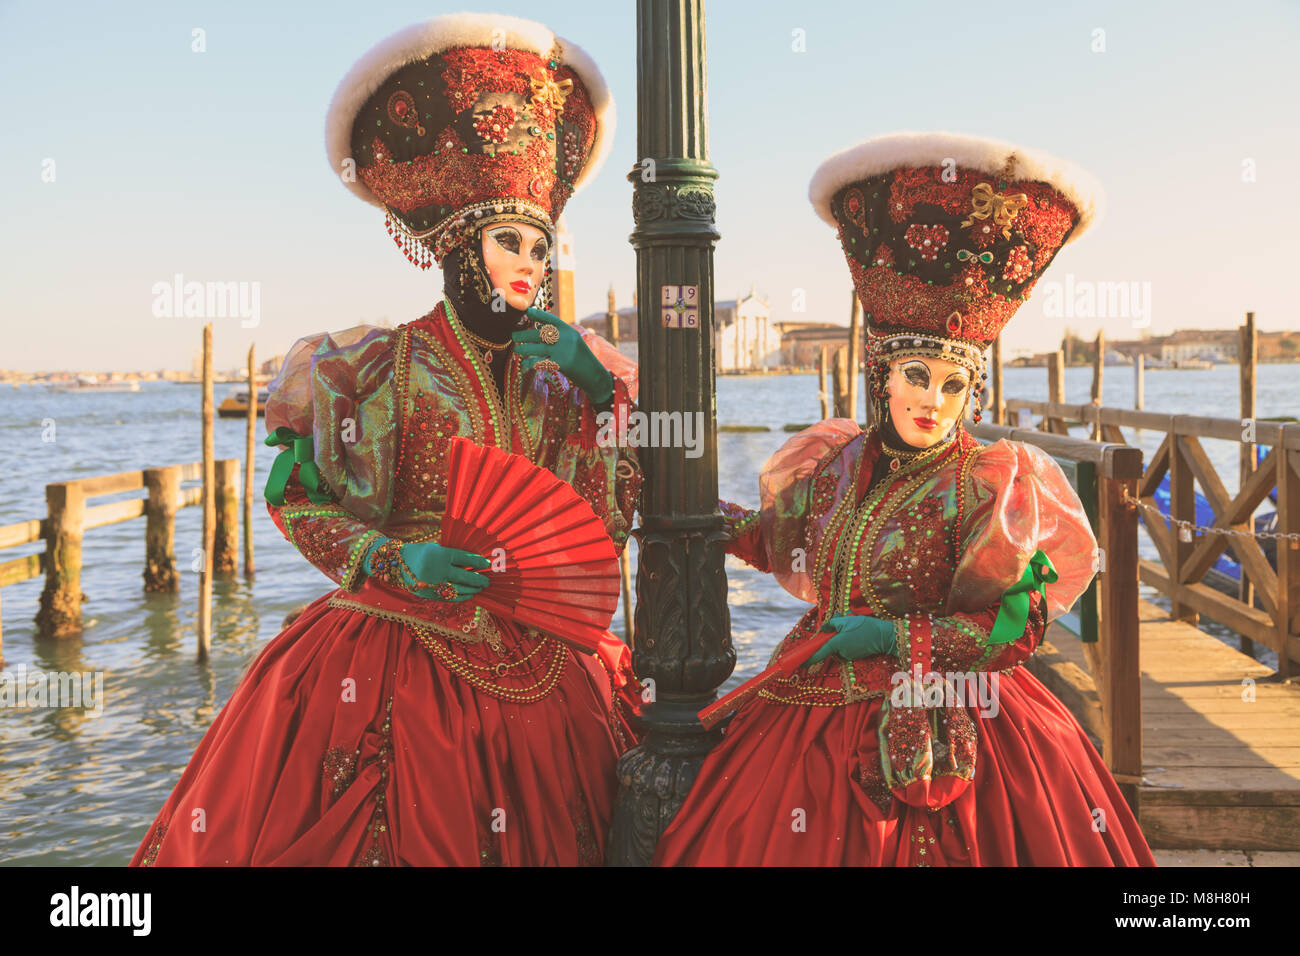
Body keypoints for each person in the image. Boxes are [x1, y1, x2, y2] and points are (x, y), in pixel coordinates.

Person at [130, 13, 643, 867]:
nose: (530, 265)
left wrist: (604, 406)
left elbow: (605, 527)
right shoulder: (371, 369)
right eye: (508, 241)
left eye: (542, 247)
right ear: (452, 248)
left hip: (544, 665)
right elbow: (296, 498)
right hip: (391, 651)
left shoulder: (565, 383)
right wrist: (399, 562)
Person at [655, 132, 1155, 866]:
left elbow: (1014, 629)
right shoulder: (838, 461)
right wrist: (691, 513)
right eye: (916, 377)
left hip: (953, 717)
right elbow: (780, 540)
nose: (932, 400)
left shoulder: (995, 483)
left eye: (952, 385)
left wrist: (894, 639)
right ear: (882, 374)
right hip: (815, 695)